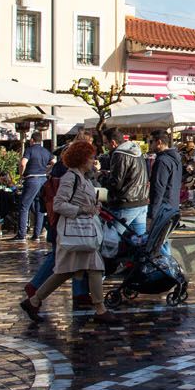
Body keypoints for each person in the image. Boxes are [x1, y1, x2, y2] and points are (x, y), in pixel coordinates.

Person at [18, 139, 120, 324]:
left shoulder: (83, 177)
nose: (93, 161)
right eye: (90, 158)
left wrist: (94, 205)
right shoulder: (70, 178)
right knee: (88, 268)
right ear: (81, 159)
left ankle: (34, 301)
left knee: (66, 272)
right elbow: (59, 204)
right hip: (76, 231)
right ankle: (100, 309)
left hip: (83, 232)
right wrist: (82, 210)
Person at [101, 129, 150, 238]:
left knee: (111, 240)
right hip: (141, 201)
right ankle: (162, 255)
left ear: (113, 142)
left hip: (125, 203)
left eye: (105, 143)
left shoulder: (119, 154)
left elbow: (116, 183)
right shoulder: (136, 151)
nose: (105, 147)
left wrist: (101, 177)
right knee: (140, 240)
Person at [16, 132, 54, 240]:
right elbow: (54, 162)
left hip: (32, 179)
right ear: (40, 140)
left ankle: (21, 234)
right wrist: (46, 171)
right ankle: (37, 234)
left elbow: (23, 163)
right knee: (39, 206)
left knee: (24, 206)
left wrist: (21, 174)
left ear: (32, 140)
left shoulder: (29, 150)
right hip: (43, 180)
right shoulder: (45, 151)